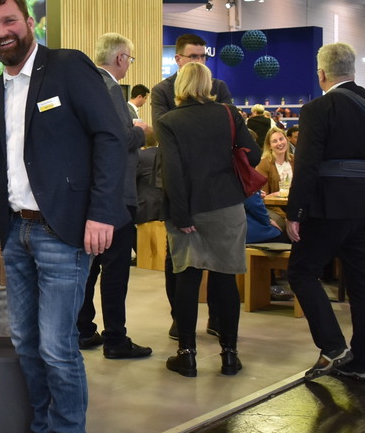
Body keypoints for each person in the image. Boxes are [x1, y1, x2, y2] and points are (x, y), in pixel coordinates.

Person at [0, 0, 126, 433]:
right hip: (17, 233)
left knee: (56, 346)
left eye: (9, 21)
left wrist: (103, 213)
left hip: (63, 232)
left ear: (29, 23)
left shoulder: (68, 68)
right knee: (27, 344)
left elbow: (111, 138)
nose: (1, 32)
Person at [286, 42, 365, 381]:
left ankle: (333, 346)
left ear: (321, 74)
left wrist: (294, 212)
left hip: (329, 205)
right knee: (361, 279)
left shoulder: (318, 108)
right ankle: (362, 362)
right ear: (353, 69)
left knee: (302, 271)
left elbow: (306, 164)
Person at [156, 62, 259, 378]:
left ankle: (187, 356)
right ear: (209, 84)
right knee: (225, 278)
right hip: (227, 205)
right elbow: (254, 154)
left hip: (189, 209)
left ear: (180, 86)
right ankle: (229, 356)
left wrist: (181, 213)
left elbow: (172, 170)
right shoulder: (228, 113)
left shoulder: (169, 121)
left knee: (187, 278)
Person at [76, 33, 151, 359]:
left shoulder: (85, 86)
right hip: (117, 194)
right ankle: (116, 339)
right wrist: (140, 132)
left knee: (89, 268)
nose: (129, 65)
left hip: (91, 193)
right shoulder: (109, 90)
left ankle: (83, 329)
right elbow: (117, 140)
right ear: (120, 58)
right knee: (115, 270)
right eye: (130, 59)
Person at [149, 34, 233, 122]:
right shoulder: (162, 90)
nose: (200, 62)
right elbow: (160, 126)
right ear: (178, 59)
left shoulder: (218, 86)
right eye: (194, 57)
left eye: (203, 56)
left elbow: (230, 120)